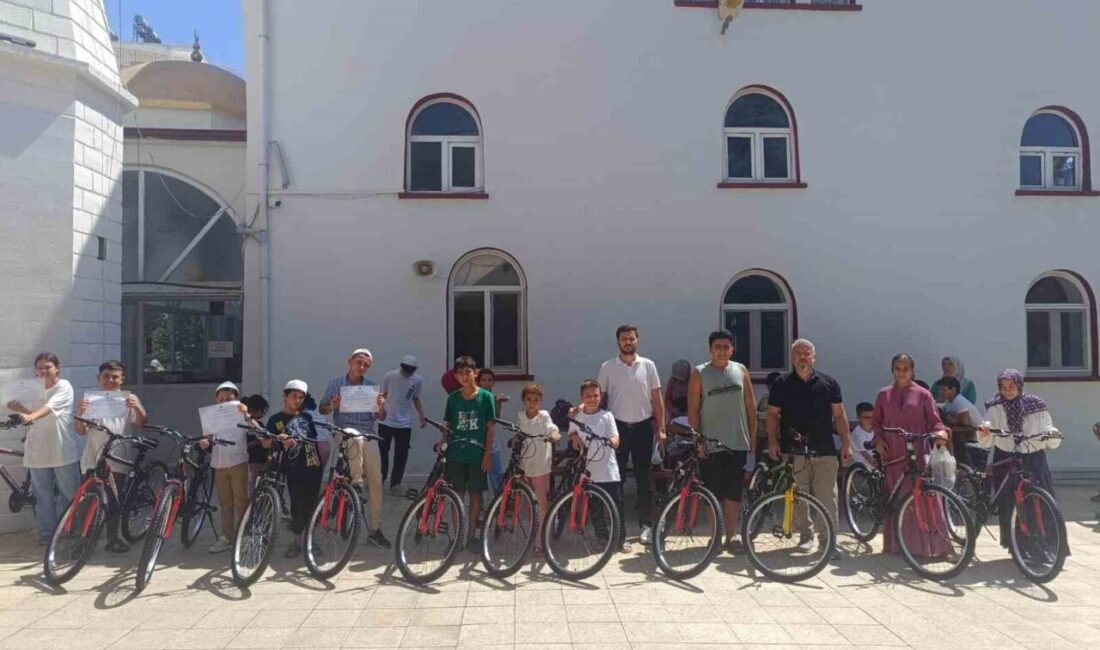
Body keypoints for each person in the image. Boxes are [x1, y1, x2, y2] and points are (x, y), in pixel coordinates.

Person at [766, 339, 850, 559]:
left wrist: (846, 443)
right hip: (793, 451)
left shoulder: (829, 383)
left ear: (814, 356)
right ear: (792, 357)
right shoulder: (782, 383)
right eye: (798, 353)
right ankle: (806, 536)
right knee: (798, 496)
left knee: (827, 498)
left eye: (807, 353)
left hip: (824, 450)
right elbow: (773, 415)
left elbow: (839, 415)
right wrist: (772, 442)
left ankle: (828, 541)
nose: (803, 357)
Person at [872, 353, 951, 556]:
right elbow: (876, 422)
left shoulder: (924, 394)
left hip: (917, 451)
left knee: (924, 496)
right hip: (893, 453)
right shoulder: (883, 394)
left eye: (905, 369)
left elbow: (935, 421)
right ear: (892, 370)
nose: (901, 373)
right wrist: (879, 440)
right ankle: (897, 546)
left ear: (913, 370)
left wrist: (941, 432)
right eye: (897, 368)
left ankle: (932, 547)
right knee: (897, 497)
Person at [687, 330, 756, 554]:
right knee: (712, 491)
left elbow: (750, 406)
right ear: (710, 349)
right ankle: (715, 536)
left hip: (736, 441)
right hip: (709, 444)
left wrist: (752, 436)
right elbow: (693, 409)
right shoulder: (699, 373)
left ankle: (732, 535)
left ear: (732, 349)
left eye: (726, 346)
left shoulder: (741, 370)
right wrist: (698, 440)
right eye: (718, 346)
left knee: (733, 491)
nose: (722, 351)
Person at [596, 324, 665, 545]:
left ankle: (647, 526)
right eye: (624, 339)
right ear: (618, 341)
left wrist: (661, 428)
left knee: (645, 480)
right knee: (616, 480)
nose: (628, 342)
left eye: (631, 338)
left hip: (644, 428)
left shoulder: (648, 365)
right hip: (617, 429)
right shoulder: (607, 367)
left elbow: (657, 398)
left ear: (638, 340)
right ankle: (620, 531)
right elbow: (598, 399)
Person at [978, 370, 1062, 548]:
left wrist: (1052, 434)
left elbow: (1048, 427)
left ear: (1020, 386)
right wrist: (984, 431)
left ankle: (1048, 545)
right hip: (1007, 457)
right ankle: (1019, 547)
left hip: (1032, 457)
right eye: (1003, 387)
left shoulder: (1035, 404)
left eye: (1012, 386)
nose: (1008, 391)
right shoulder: (994, 406)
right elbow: (985, 437)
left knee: (1040, 500)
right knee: (1010, 502)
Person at [319, 348, 390, 548]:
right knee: (353, 436)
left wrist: (381, 406)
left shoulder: (371, 387)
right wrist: (332, 405)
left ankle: (375, 529)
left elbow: (381, 418)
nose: (362, 367)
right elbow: (322, 408)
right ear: (349, 361)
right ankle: (356, 482)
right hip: (343, 430)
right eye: (359, 362)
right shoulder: (335, 384)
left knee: (376, 481)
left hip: (368, 432)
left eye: (366, 365)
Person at [74, 360, 147, 553]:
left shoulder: (129, 398)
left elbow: (142, 422)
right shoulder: (90, 400)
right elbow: (80, 430)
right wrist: (79, 412)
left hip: (118, 456)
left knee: (114, 498)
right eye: (106, 376)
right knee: (88, 499)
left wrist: (137, 408)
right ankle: (82, 540)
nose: (110, 380)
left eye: (115, 377)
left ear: (122, 379)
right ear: (99, 379)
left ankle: (112, 538)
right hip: (93, 456)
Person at [7, 353, 80, 545]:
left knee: (70, 493)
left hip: (61, 449)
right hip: (37, 450)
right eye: (39, 368)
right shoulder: (32, 389)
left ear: (57, 368)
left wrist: (31, 417)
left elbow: (49, 408)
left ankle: (67, 529)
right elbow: (30, 414)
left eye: (47, 367)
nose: (43, 371)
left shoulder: (64, 386)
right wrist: (17, 407)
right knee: (42, 496)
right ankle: (47, 534)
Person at [439, 356, 496, 553]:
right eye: (460, 373)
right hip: (456, 454)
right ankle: (457, 538)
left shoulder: (486, 398)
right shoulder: (453, 398)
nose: (465, 376)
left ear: (475, 373)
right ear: (456, 376)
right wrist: (442, 442)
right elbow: (448, 425)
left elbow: (490, 429)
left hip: (477, 455)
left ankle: (471, 536)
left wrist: (488, 454)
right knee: (457, 496)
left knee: (475, 496)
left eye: (468, 372)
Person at [267, 379, 324, 558]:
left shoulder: (307, 417)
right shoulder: (276, 419)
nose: (297, 400)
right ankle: (296, 542)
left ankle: (310, 541)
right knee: (297, 505)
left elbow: (314, 440)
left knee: (312, 504)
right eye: (294, 396)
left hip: (312, 465)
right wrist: (279, 438)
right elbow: (265, 441)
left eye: (301, 397)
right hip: (293, 468)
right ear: (284, 396)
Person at [568, 380, 626, 552]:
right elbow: (572, 432)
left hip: (608, 470)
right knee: (595, 507)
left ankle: (621, 539)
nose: (592, 399)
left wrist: (612, 442)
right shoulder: (577, 416)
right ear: (582, 397)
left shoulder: (607, 416)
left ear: (600, 396)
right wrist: (574, 438)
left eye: (596, 395)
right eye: (588, 396)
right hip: (588, 471)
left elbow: (615, 437)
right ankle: (602, 537)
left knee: (616, 505)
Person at [202, 382, 250, 554]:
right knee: (225, 503)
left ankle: (244, 535)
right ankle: (226, 536)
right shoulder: (212, 415)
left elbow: (256, 429)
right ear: (216, 399)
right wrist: (205, 442)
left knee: (241, 500)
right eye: (220, 399)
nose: (223, 402)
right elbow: (208, 437)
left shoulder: (241, 412)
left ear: (236, 399)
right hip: (219, 463)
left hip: (238, 461)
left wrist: (247, 416)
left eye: (228, 399)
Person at [515, 383, 560, 557]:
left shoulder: (544, 416)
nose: (532, 403)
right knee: (528, 502)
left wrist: (554, 434)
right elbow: (519, 434)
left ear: (540, 401)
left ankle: (540, 540)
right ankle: (536, 528)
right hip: (525, 465)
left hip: (541, 465)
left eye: (536, 400)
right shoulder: (520, 416)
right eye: (529, 399)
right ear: (524, 401)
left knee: (541, 502)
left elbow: (551, 427)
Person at [378, 355, 426, 496]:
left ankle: (396, 483)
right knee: (382, 452)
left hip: (405, 423)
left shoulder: (417, 380)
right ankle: (380, 479)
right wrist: (379, 411)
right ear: (401, 366)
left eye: (410, 370)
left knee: (401, 454)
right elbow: (383, 394)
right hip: (386, 421)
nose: (407, 372)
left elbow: (416, 398)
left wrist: (421, 415)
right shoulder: (390, 376)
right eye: (405, 369)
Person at [477, 368, 509, 494]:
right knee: (477, 478)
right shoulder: (475, 398)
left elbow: (495, 420)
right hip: (477, 441)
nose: (487, 383)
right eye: (483, 380)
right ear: (478, 382)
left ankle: (501, 504)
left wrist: (499, 403)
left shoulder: (494, 398)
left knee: (496, 475)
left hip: (491, 442)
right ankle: (478, 506)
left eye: (490, 380)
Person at [938, 376, 983, 466]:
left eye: (944, 389)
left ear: (953, 390)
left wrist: (954, 420)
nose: (941, 392)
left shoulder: (959, 402)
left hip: (975, 437)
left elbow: (966, 422)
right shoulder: (950, 402)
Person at [242, 394, 269, 493]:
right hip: (252, 460)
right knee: (252, 486)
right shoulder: (244, 424)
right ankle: (251, 505)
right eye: (261, 411)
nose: (262, 414)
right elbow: (242, 446)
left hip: (262, 459)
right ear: (253, 409)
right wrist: (256, 442)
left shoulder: (259, 424)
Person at [846, 403, 876, 469]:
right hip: (861, 466)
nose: (870, 420)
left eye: (872, 417)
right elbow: (865, 454)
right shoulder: (858, 433)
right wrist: (876, 464)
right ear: (858, 418)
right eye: (866, 417)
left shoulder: (875, 430)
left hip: (871, 465)